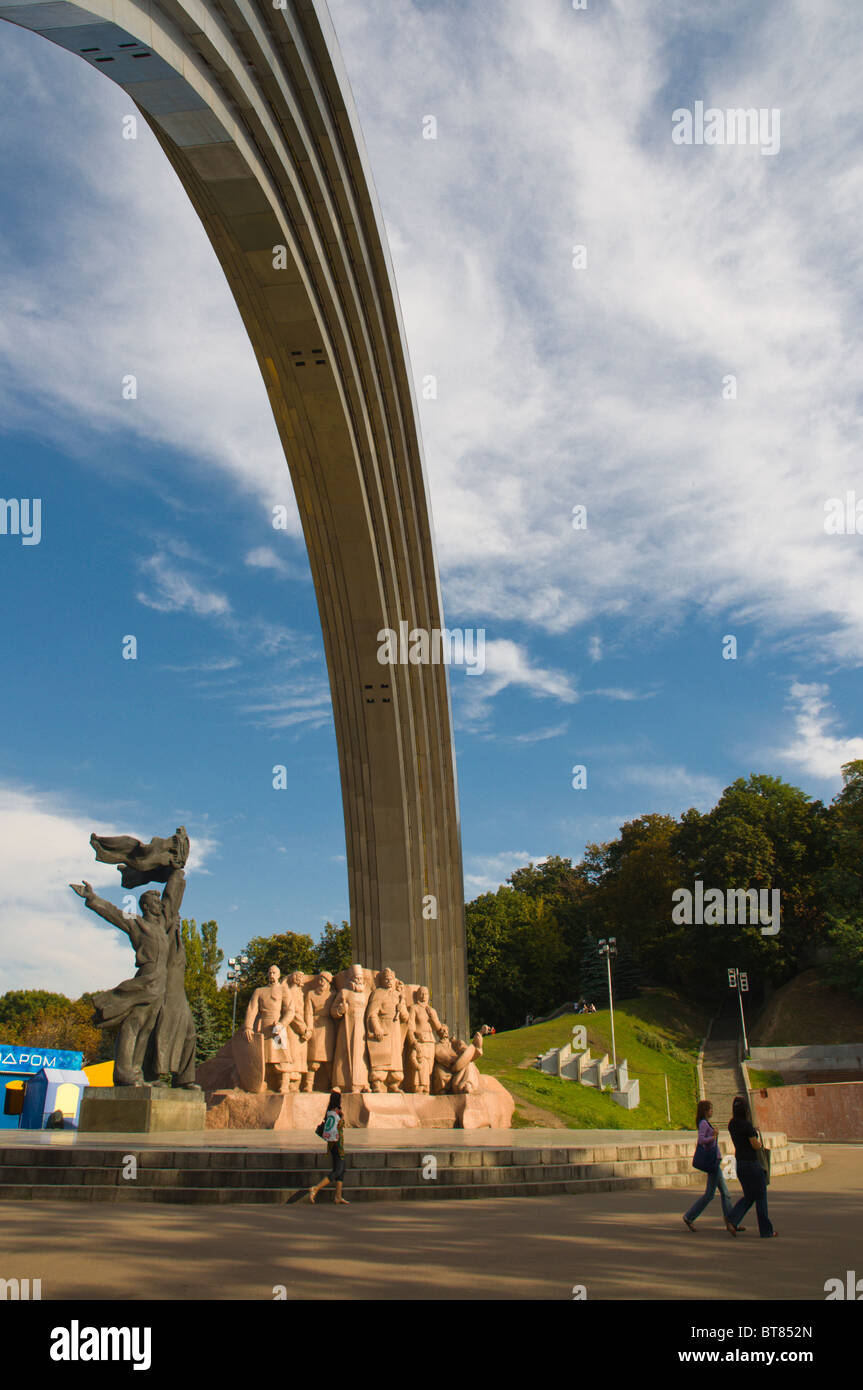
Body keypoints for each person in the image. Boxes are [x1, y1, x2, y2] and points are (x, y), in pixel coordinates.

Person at [682, 1099, 736, 1234]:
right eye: (710, 1109)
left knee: (715, 1194)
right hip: (713, 1163)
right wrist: (713, 1136)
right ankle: (730, 1221)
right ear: (705, 1111)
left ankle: (731, 1222)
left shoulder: (705, 1123)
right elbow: (701, 1140)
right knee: (721, 1193)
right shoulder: (704, 1124)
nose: (712, 1111)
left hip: (714, 1162)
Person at [726, 1094, 776, 1238]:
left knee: (749, 1196)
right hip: (752, 1164)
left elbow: (741, 1134)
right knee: (760, 1196)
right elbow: (754, 1145)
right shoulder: (746, 1125)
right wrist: (758, 1141)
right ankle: (766, 1230)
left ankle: (732, 1219)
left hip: (739, 1163)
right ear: (746, 1110)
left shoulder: (732, 1124)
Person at [308, 1091, 349, 1205]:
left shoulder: (329, 1111)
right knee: (338, 1170)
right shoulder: (336, 1111)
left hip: (332, 1143)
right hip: (337, 1143)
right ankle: (315, 1188)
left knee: (341, 1168)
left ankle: (338, 1196)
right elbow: (338, 1126)